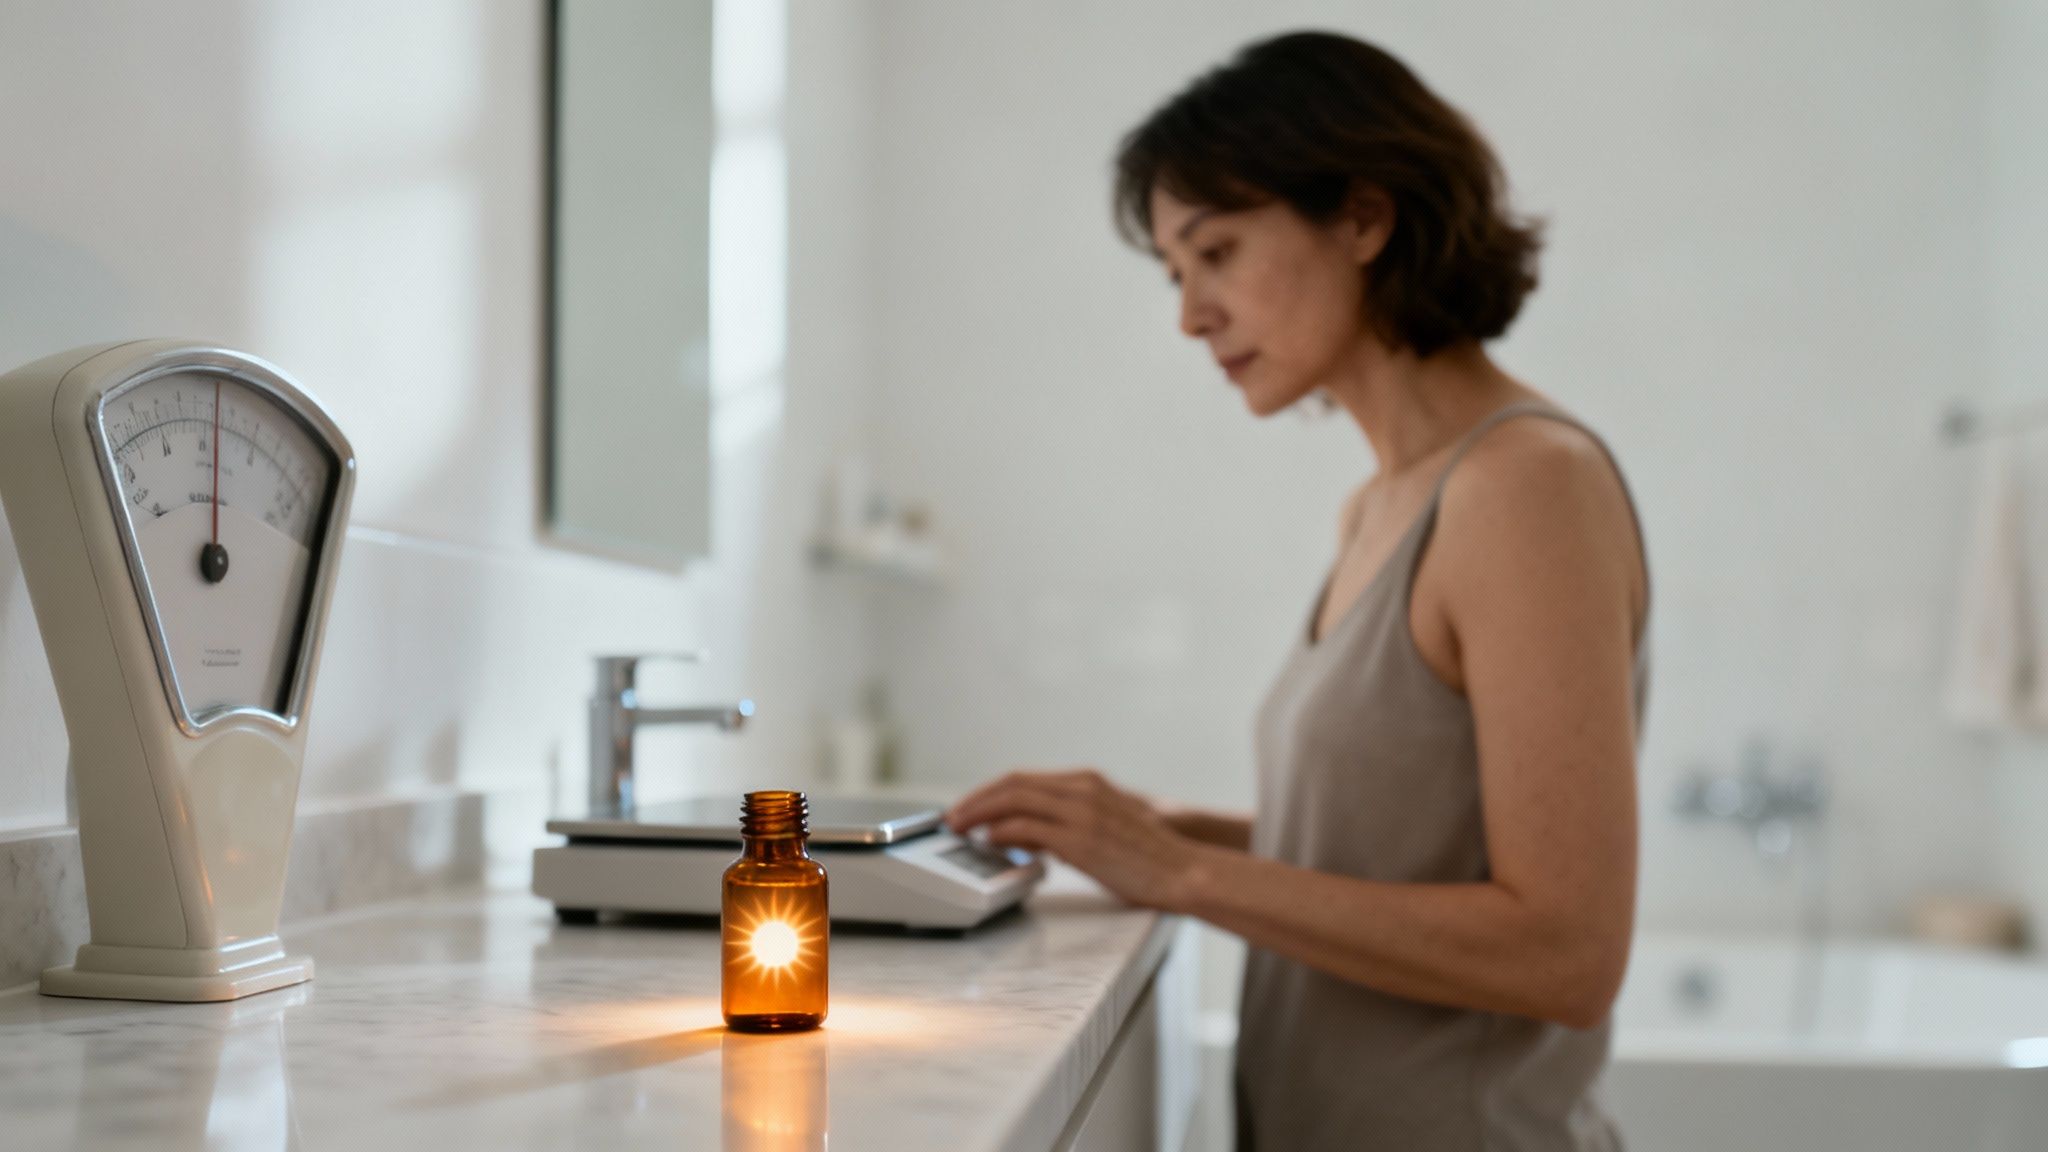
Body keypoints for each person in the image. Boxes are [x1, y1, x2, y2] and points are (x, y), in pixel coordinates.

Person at [943, 30, 1650, 1151]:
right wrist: (1174, 829)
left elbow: (1563, 952)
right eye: (1175, 273)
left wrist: (1178, 870)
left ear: (1363, 218)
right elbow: (1407, 842)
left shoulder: (1525, 487)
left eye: (1215, 251)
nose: (1187, 314)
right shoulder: (1378, 506)